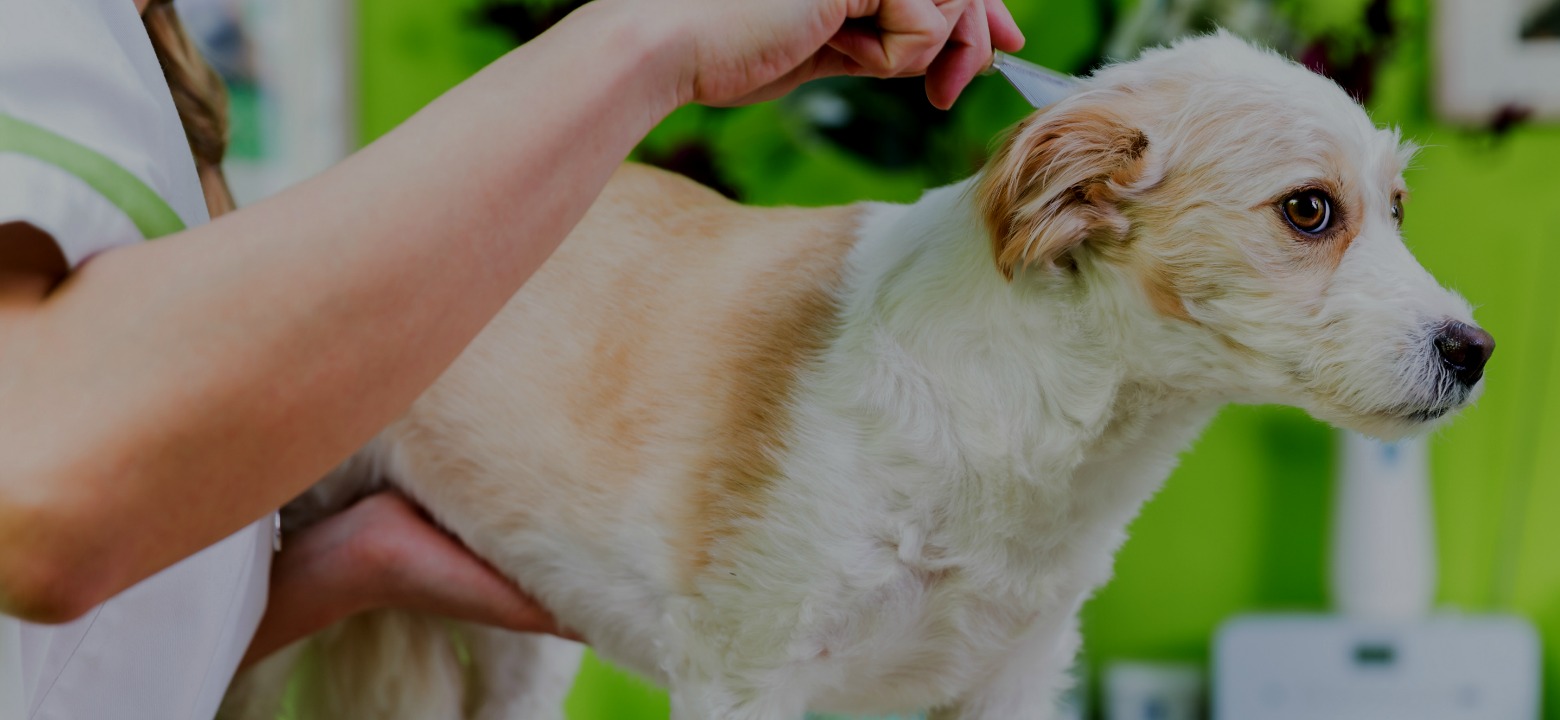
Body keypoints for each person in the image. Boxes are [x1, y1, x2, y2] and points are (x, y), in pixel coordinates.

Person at [0, 0, 1025, 717]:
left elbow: (93, 661)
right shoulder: (38, 33)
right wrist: (647, 38)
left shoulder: (137, 79)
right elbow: (39, 496)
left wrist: (359, 563)